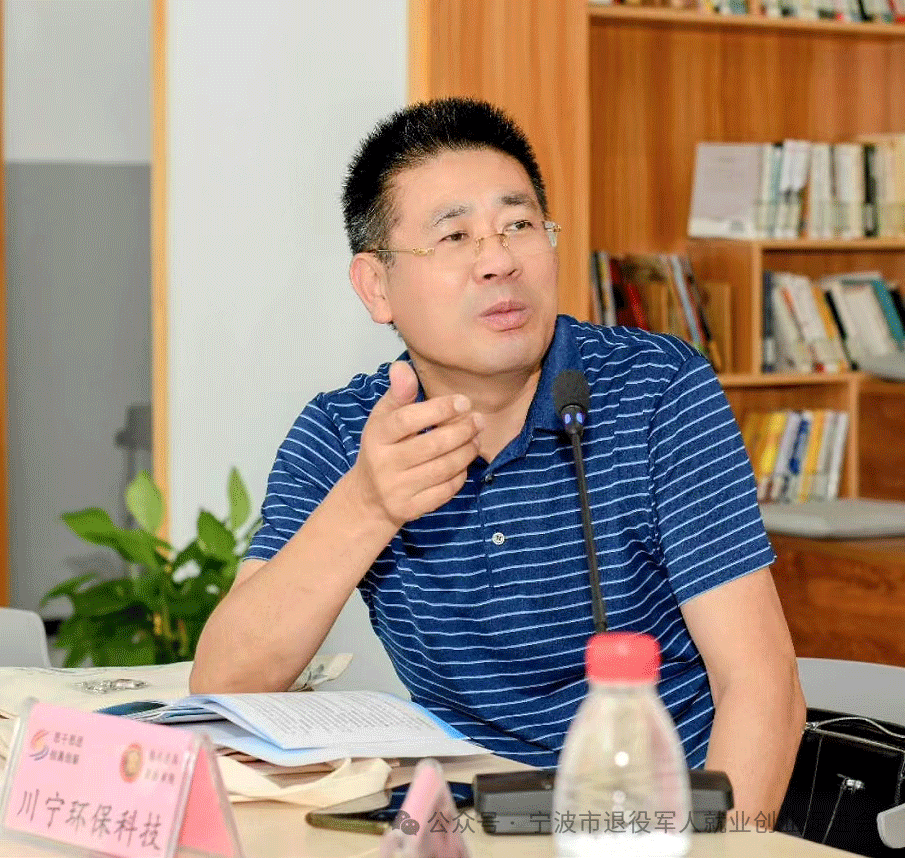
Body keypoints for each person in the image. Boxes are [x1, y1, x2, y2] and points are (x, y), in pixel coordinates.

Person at [191, 97, 805, 823]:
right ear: (376, 287)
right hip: (466, 822)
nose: (499, 261)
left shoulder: (655, 389)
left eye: (518, 226)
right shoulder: (346, 432)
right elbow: (228, 681)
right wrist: (368, 505)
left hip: (657, 820)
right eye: (454, 236)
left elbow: (759, 683)